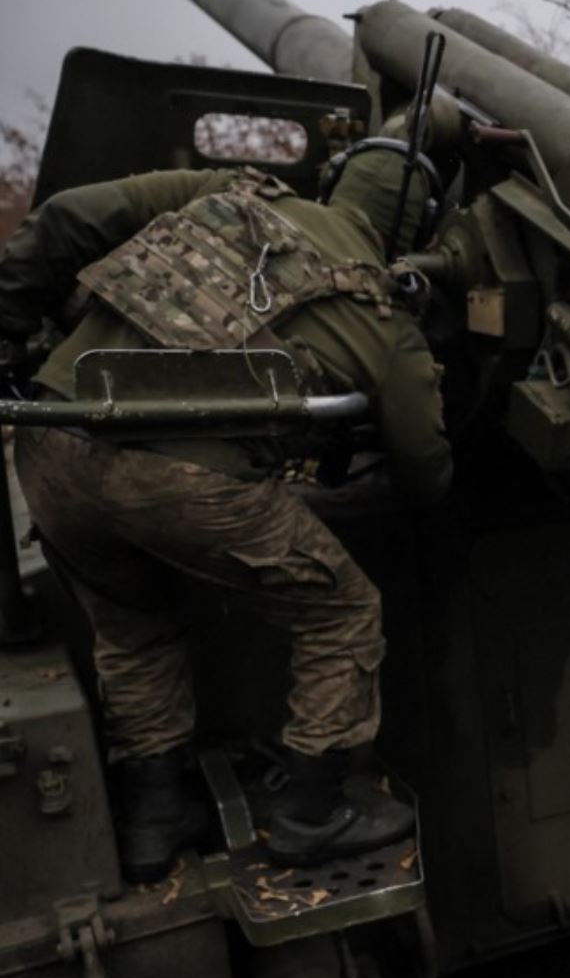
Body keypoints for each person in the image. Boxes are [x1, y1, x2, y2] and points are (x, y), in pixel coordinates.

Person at [0, 144, 453, 881]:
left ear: (336, 181)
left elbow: (65, 218)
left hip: (53, 442)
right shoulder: (379, 310)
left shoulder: (226, 190)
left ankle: (156, 815)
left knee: (132, 626)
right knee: (342, 611)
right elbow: (427, 473)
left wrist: (9, 324)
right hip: (183, 483)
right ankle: (312, 809)